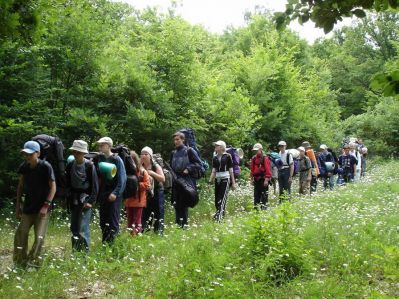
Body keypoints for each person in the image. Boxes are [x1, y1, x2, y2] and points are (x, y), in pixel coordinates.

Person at [14, 141, 56, 268]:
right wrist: (18, 207)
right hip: (28, 207)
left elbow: (53, 187)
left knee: (39, 237)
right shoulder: (24, 167)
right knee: (21, 233)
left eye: (30, 154)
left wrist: (46, 206)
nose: (27, 157)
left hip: (42, 208)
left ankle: (35, 263)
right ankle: (20, 263)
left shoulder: (46, 166)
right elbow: (20, 187)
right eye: (25, 154)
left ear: (37, 153)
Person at [66, 140, 99, 252]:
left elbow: (95, 186)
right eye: (74, 151)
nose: (76, 154)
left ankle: (85, 254)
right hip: (73, 199)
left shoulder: (89, 166)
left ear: (83, 153)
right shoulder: (70, 165)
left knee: (83, 228)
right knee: (74, 227)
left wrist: (90, 201)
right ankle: (75, 252)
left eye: (78, 152)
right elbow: (68, 183)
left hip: (85, 199)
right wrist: (66, 198)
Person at [97, 137, 126, 243]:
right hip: (103, 193)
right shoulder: (100, 158)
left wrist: (115, 193)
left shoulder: (117, 159)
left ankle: (114, 246)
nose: (100, 146)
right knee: (103, 220)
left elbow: (122, 179)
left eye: (102, 145)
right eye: (99, 145)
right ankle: (105, 243)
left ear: (109, 146)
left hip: (114, 194)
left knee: (113, 220)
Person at [170, 131, 202, 228]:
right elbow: (170, 166)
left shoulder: (189, 151)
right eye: (174, 140)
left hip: (187, 180)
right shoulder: (173, 153)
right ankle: (178, 225)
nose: (176, 142)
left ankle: (184, 226)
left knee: (184, 204)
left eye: (178, 139)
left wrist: (188, 169)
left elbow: (198, 164)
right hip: (176, 180)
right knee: (176, 203)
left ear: (183, 140)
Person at [208, 140, 236, 221]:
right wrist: (210, 182)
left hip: (225, 178)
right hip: (217, 179)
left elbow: (231, 170)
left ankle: (218, 219)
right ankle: (221, 215)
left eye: (217, 145)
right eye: (215, 145)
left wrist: (233, 183)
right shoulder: (215, 157)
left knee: (222, 198)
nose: (215, 147)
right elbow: (213, 170)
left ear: (222, 147)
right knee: (217, 200)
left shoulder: (228, 156)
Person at [124, 151, 151, 236]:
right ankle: (131, 236)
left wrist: (135, 185)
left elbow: (147, 185)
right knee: (130, 221)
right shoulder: (125, 171)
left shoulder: (142, 172)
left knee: (137, 221)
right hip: (129, 200)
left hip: (138, 201)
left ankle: (136, 237)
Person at [141, 146, 166, 234]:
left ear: (150, 156)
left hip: (158, 192)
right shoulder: (140, 166)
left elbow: (162, 179)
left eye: (146, 154)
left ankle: (159, 233)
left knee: (158, 212)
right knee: (145, 213)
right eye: (142, 154)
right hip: (146, 193)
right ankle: (145, 232)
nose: (143, 156)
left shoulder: (156, 166)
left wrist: (152, 173)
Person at [249, 143, 271, 209]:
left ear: (261, 149)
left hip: (263, 180)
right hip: (256, 180)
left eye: (257, 150)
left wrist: (266, 180)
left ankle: (264, 210)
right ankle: (256, 211)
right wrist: (251, 179)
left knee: (264, 196)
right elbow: (252, 170)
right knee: (256, 196)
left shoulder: (265, 158)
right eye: (254, 150)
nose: (255, 152)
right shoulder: (254, 158)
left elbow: (268, 170)